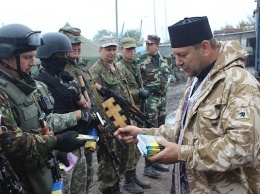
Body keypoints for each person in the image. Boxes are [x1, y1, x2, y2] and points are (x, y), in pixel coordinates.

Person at [114, 16, 260, 194]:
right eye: (175, 55)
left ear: (205, 47)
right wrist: (144, 133)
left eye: (182, 55)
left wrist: (182, 154)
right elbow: (182, 130)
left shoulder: (239, 83)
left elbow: (243, 149)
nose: (177, 62)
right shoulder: (195, 80)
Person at [0, 24, 87, 194]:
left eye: (33, 56)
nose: (33, 63)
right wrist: (56, 142)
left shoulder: (23, 85)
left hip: (37, 175)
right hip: (17, 180)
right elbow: (10, 140)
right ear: (5, 57)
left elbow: (39, 123)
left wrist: (51, 147)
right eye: (27, 57)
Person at [32, 32, 95, 194]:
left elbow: (85, 105)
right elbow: (46, 121)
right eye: (61, 55)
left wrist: (86, 107)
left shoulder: (66, 78)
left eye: (66, 54)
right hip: (58, 149)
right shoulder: (38, 84)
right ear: (49, 56)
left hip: (76, 143)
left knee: (80, 188)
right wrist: (78, 115)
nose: (65, 58)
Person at [89, 35, 137, 194]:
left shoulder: (118, 68)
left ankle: (117, 183)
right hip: (111, 122)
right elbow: (97, 101)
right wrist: (110, 123)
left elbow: (126, 92)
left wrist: (130, 115)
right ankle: (108, 188)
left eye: (113, 49)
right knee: (109, 157)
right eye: (108, 50)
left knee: (124, 153)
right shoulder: (95, 71)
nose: (111, 53)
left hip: (124, 119)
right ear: (100, 50)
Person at [58, 24, 97, 193]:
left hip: (88, 126)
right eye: (71, 43)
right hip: (70, 132)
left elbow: (92, 95)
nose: (76, 47)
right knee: (68, 179)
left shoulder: (81, 66)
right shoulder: (58, 69)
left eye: (78, 43)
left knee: (87, 172)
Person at [116, 37, 151, 193]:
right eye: (128, 49)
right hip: (129, 110)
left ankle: (133, 175)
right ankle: (128, 180)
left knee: (137, 145)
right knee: (130, 147)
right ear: (121, 49)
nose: (131, 52)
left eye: (133, 49)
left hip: (138, 108)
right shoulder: (120, 67)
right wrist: (139, 93)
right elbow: (123, 92)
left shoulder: (134, 65)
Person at [138, 35, 170, 178]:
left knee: (160, 130)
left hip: (162, 99)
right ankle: (148, 165)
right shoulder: (141, 61)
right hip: (150, 99)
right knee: (150, 131)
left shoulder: (164, 61)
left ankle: (157, 160)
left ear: (157, 46)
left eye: (150, 44)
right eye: (146, 44)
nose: (147, 46)